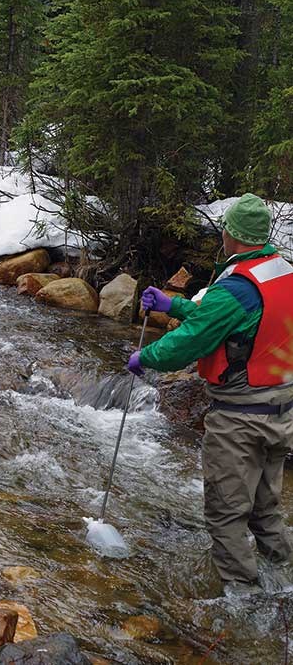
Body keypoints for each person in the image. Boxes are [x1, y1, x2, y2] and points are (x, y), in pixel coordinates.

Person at [128, 193, 293, 596]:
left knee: (226, 514)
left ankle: (244, 600)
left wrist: (145, 356)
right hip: (281, 410)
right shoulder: (282, 272)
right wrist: (177, 305)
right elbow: (239, 320)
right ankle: (285, 581)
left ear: (229, 235)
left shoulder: (235, 288)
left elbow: (190, 343)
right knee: (265, 510)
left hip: (241, 419)